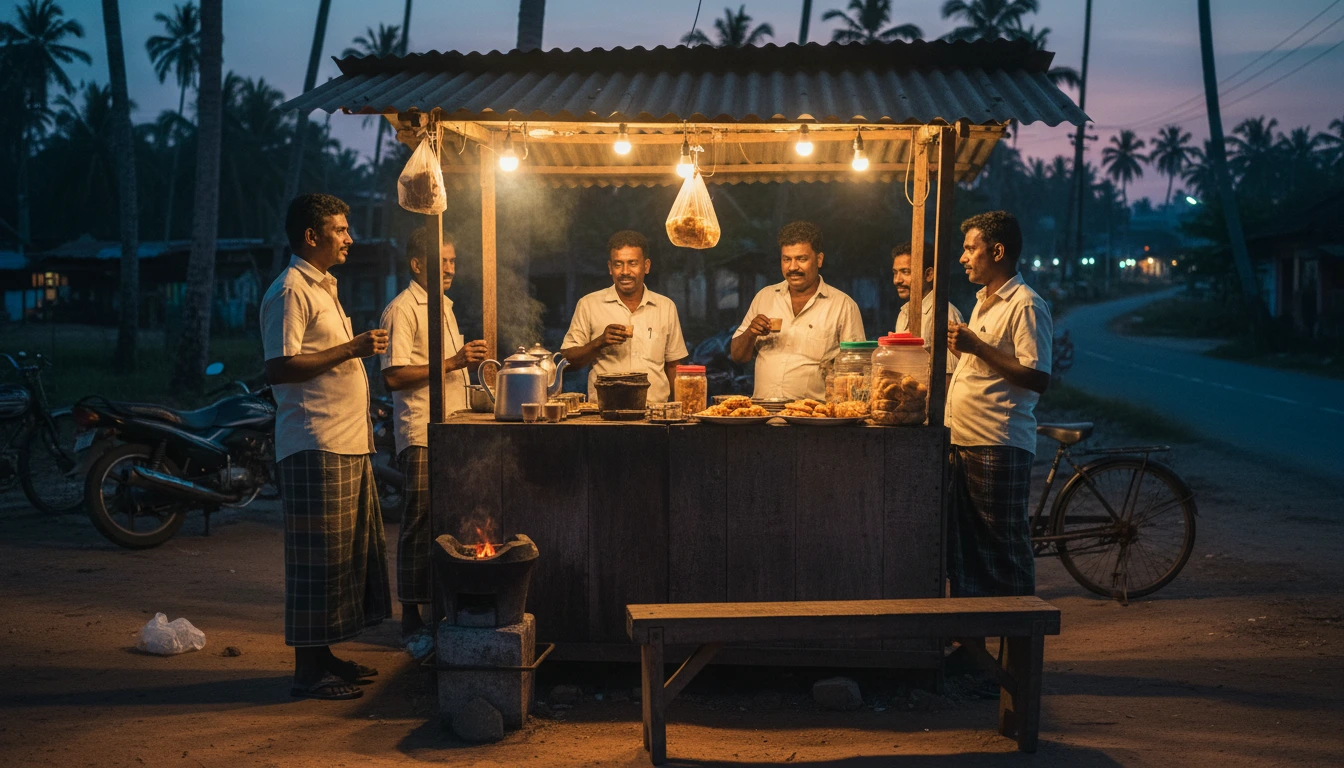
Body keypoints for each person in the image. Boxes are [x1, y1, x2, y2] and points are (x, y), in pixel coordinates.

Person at [261, 193, 392, 701]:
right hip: (314, 444)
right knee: (317, 561)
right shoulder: (291, 291)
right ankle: (307, 673)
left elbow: (322, 364)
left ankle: (324, 655)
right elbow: (281, 366)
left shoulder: (323, 287)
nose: (349, 238)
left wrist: (365, 401)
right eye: (340, 230)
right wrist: (354, 348)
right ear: (311, 236)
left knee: (341, 557)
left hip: (343, 439)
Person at [379, 227, 487, 659]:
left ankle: (446, 607)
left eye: (453, 260)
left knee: (450, 520)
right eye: (441, 260)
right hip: (420, 430)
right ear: (417, 264)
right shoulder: (401, 310)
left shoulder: (444, 307)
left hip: (451, 428)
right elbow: (394, 375)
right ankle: (409, 615)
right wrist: (455, 361)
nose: (449, 268)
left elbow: (451, 370)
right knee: (419, 522)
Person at [944, 211, 1053, 599]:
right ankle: (973, 647)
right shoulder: (983, 302)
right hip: (967, 439)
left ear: (998, 250)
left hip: (998, 442)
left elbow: (1038, 376)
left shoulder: (1025, 304)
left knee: (1003, 548)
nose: (963, 257)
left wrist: (978, 347)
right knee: (969, 552)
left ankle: (1018, 650)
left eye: (971, 248)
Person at [730, 221, 866, 400]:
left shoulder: (843, 306)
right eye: (787, 259)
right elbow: (738, 356)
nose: (793, 267)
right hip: (765, 417)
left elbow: (857, 370)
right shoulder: (765, 297)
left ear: (819, 260)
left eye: (801, 259)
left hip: (815, 419)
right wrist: (750, 333)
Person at [561, 230, 689, 403]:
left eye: (633, 263)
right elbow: (567, 360)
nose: (625, 271)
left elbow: (674, 365)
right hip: (604, 413)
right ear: (610, 268)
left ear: (646, 266)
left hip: (654, 414)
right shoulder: (589, 304)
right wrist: (599, 342)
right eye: (618, 264)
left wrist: (682, 409)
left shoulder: (665, 307)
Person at [892, 241, 965, 390]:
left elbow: (950, 377)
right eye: (895, 272)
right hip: (910, 408)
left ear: (929, 274)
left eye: (906, 272)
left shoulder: (944, 313)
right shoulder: (903, 314)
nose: (897, 280)